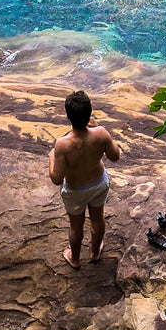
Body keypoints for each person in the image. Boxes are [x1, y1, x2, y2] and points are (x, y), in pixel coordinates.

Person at [48, 90, 121, 269]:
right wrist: (98, 129)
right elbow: (115, 156)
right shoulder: (101, 133)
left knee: (76, 226)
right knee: (98, 218)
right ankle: (95, 253)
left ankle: (75, 258)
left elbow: (57, 178)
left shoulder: (62, 145)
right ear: (90, 113)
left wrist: (51, 157)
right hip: (99, 184)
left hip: (75, 191)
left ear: (68, 116)